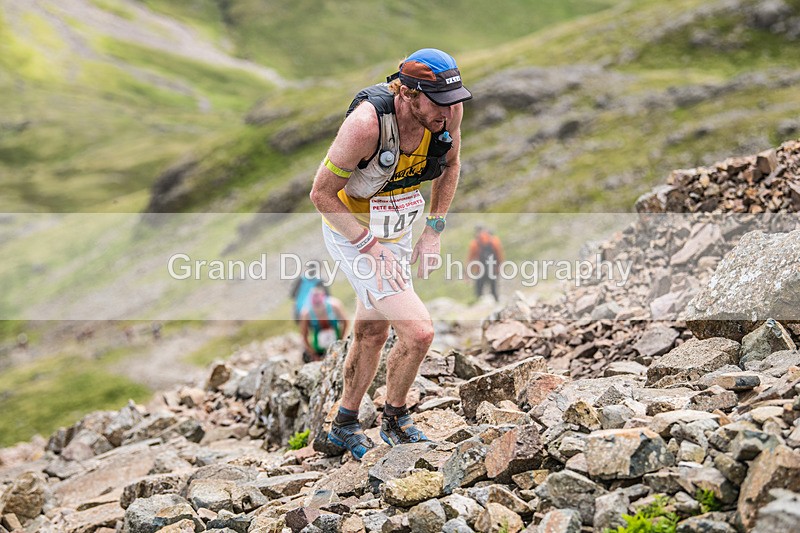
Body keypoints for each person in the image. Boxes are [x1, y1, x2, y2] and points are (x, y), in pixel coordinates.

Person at [309, 48, 471, 460]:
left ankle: (343, 425)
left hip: (397, 225)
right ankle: (395, 419)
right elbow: (321, 194)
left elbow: (450, 166)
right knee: (418, 332)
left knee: (373, 330)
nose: (449, 111)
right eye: (438, 101)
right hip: (354, 230)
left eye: (454, 101)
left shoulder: (445, 112)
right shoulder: (365, 125)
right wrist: (368, 245)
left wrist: (433, 230)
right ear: (408, 93)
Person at [298, 286, 349, 362]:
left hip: (336, 343)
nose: (319, 307)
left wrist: (342, 338)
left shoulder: (334, 306)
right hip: (319, 349)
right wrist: (313, 353)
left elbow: (345, 322)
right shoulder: (306, 313)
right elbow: (304, 334)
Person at [467, 226, 504, 302]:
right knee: (493, 289)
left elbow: (471, 258)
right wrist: (499, 267)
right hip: (492, 268)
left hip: (480, 269)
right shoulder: (494, 240)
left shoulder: (474, 243)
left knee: (479, 290)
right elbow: (499, 255)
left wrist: (469, 271)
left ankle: (479, 304)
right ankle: (496, 302)